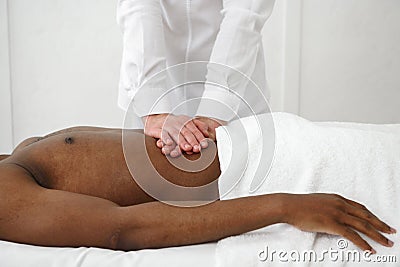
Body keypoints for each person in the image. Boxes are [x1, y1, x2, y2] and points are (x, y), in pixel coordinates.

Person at [0, 125, 395, 252]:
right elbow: (122, 229)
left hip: (258, 140)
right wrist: (284, 205)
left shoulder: (10, 159)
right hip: (272, 173)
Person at [117, 0, 276, 157]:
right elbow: (138, 7)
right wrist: (153, 109)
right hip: (154, 91)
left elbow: (244, 13)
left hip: (237, 97)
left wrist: (216, 107)